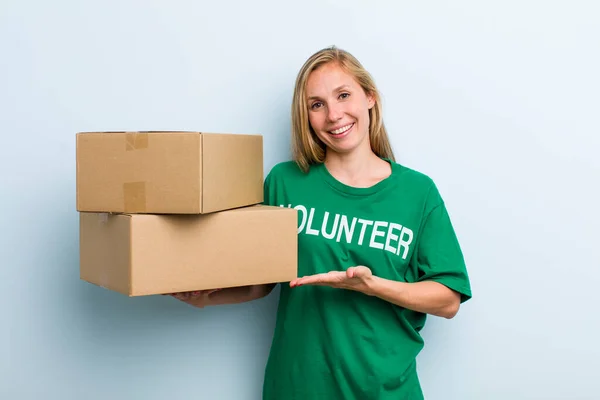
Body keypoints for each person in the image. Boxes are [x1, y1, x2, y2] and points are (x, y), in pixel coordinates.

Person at [170, 46, 472, 399]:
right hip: (297, 388)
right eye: (317, 104)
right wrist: (204, 298)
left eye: (343, 95)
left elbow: (448, 300)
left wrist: (373, 286)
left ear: (370, 97)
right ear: (306, 116)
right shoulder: (284, 182)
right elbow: (263, 282)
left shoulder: (418, 192)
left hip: (384, 390)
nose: (334, 115)